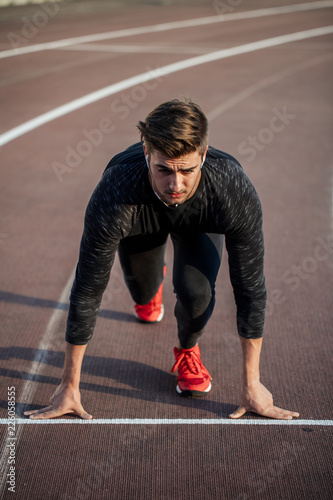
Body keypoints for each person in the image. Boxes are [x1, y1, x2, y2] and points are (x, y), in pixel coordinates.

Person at [24, 99, 299, 420]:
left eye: (187, 170)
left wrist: (253, 384)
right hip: (141, 219)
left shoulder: (231, 190)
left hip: (200, 223)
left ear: (204, 155)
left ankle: (187, 350)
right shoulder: (116, 190)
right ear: (146, 153)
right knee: (143, 297)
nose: (175, 184)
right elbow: (87, 288)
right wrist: (69, 385)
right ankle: (150, 289)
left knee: (196, 293)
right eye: (164, 169)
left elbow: (250, 288)